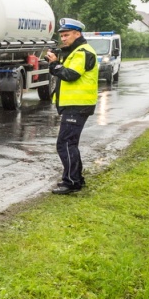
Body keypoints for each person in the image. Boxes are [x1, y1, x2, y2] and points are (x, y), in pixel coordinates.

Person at [45, 17, 98, 195]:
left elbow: (70, 75)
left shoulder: (82, 52)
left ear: (78, 34)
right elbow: (64, 72)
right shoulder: (76, 51)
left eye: (67, 35)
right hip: (76, 105)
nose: (64, 39)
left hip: (78, 105)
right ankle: (76, 178)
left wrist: (54, 64)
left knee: (65, 143)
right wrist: (55, 63)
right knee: (70, 143)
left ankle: (71, 182)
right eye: (62, 36)